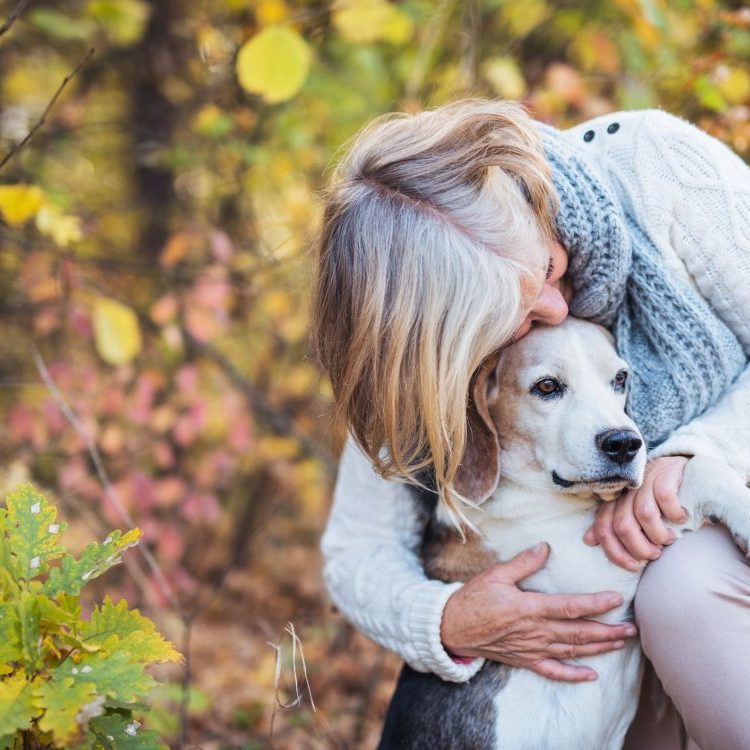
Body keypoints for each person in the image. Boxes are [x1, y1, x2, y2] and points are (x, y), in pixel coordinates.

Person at [311, 99, 750, 749]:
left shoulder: (659, 169)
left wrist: (697, 452)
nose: (554, 305)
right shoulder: (426, 356)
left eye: (543, 268)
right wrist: (446, 620)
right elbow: (357, 552)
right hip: (594, 665)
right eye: (508, 316)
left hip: (716, 521)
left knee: (680, 590)